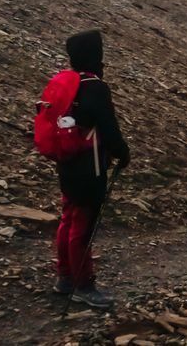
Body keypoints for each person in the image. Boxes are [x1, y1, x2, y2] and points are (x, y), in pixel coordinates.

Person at [53, 29, 130, 309]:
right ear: (95, 56)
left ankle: (64, 277)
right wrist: (123, 153)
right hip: (90, 165)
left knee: (68, 217)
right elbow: (108, 128)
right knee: (83, 225)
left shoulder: (67, 84)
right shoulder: (95, 86)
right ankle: (83, 285)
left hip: (67, 161)